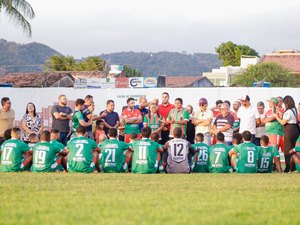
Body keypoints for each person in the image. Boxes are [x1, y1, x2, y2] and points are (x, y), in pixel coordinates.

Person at [273, 95, 300, 172]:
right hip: (295, 130)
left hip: (289, 130)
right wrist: (279, 113)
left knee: (287, 150)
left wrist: (276, 116)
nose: (284, 104)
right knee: (292, 149)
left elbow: (283, 122)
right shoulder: (294, 110)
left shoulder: (288, 111)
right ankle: (293, 166)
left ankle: (288, 167)